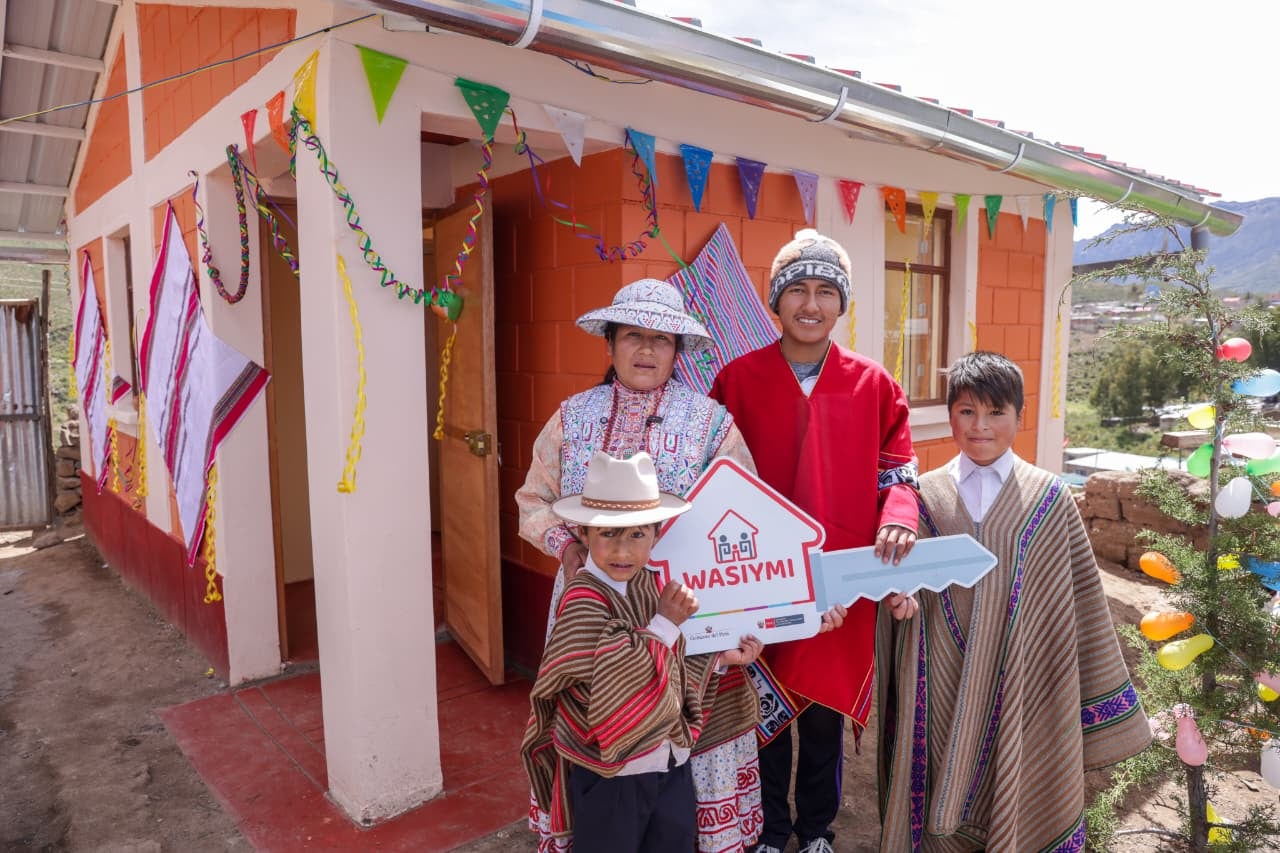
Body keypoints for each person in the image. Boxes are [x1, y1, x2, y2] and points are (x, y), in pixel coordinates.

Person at [516, 278, 763, 852]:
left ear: (678, 350)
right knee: (598, 720)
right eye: (633, 337)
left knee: (677, 749)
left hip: (684, 603)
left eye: (661, 339)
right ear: (610, 344)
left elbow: (743, 509)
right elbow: (532, 500)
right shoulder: (571, 418)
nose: (647, 350)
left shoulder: (711, 423)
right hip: (589, 600)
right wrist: (570, 547)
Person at [875, 351, 1151, 851]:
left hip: (1022, 688)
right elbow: (899, 587)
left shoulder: (1049, 499)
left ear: (1019, 417)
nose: (980, 426)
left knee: (1017, 793)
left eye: (996, 412)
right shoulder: (922, 498)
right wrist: (898, 604)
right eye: (966, 411)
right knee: (935, 789)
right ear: (950, 414)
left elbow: (1081, 604)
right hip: (939, 679)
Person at [710, 229, 920, 853]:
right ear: (776, 301)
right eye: (796, 289)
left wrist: (900, 514)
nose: (811, 303)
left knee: (824, 715)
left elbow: (897, 469)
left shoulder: (874, 383)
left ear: (841, 303)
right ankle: (773, 832)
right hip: (760, 574)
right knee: (764, 715)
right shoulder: (737, 380)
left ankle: (817, 832)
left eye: (825, 291)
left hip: (843, 576)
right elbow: (714, 479)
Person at [521, 451, 763, 853]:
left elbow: (673, 658)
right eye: (609, 534)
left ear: (656, 533)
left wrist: (719, 661)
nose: (623, 551)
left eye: (637, 534)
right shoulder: (582, 598)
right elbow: (609, 676)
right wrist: (666, 622)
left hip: (666, 761)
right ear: (583, 534)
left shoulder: (649, 586)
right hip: (610, 773)